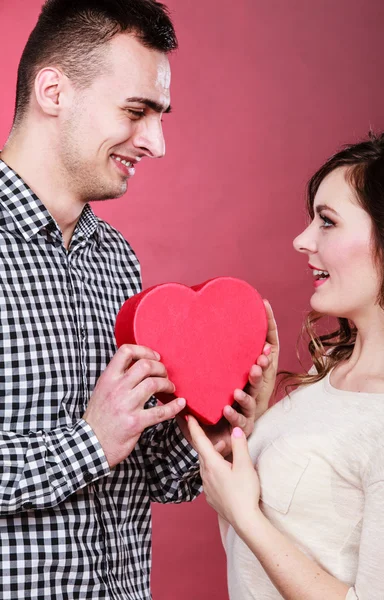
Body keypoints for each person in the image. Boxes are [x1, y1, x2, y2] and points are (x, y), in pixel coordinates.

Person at [0, 1, 275, 598]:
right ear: (53, 91)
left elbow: (149, 476)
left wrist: (214, 428)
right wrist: (88, 444)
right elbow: (100, 448)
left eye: (160, 115)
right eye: (135, 111)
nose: (156, 142)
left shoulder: (115, 258)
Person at [188, 129, 384, 600]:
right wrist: (249, 432)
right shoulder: (336, 375)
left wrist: (243, 512)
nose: (301, 240)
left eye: (327, 222)